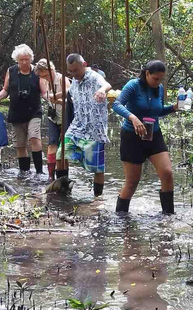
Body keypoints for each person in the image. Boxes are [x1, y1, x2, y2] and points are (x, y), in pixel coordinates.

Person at [111, 60, 177, 213]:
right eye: (155, 78)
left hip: (154, 135)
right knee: (132, 182)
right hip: (132, 137)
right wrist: (132, 117)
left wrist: (173, 108)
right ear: (147, 74)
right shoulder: (133, 85)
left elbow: (158, 111)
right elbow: (117, 105)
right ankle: (121, 218)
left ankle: (168, 216)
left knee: (167, 173)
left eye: (161, 79)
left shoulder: (159, 88)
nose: (158, 82)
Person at [57, 53, 112, 196]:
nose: (74, 74)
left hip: (95, 129)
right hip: (77, 126)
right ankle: (63, 192)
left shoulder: (94, 76)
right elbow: (70, 94)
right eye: (71, 71)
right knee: (60, 154)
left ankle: (97, 197)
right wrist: (57, 96)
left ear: (84, 65)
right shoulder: (74, 81)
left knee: (97, 167)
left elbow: (107, 85)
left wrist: (102, 90)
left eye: (76, 70)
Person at [0, 44, 48, 174]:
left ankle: (39, 172)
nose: (24, 62)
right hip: (16, 113)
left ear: (31, 59)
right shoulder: (11, 71)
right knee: (20, 145)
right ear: (17, 60)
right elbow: (6, 90)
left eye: (26, 59)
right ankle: (24, 172)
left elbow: (44, 92)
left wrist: (52, 99)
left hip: (34, 112)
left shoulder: (37, 72)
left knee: (34, 138)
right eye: (21, 60)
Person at [34, 59, 71, 181]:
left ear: (52, 69)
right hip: (53, 116)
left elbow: (70, 99)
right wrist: (49, 98)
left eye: (46, 75)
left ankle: (64, 176)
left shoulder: (62, 79)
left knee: (64, 145)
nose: (46, 78)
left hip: (65, 115)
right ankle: (50, 176)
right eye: (43, 76)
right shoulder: (45, 81)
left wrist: (58, 100)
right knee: (52, 143)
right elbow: (45, 94)